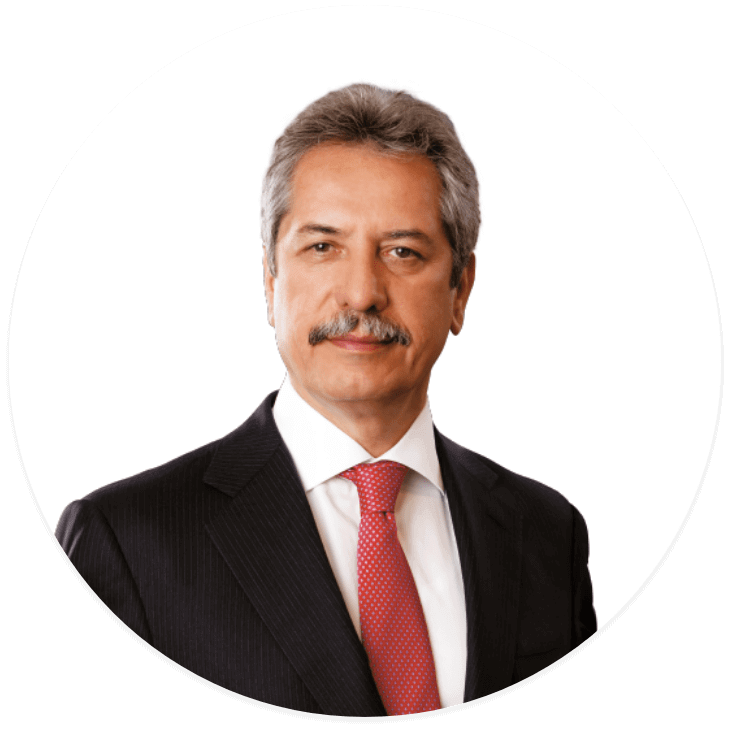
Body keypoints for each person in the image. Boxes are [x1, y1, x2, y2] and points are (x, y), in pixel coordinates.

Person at [55, 83, 596, 716]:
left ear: (460, 290)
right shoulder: (129, 542)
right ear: (269, 280)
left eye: (402, 251)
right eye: (322, 247)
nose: (362, 293)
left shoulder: (546, 533)